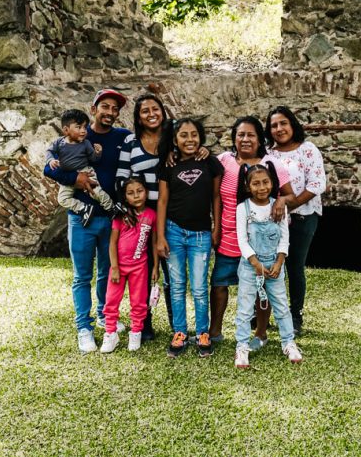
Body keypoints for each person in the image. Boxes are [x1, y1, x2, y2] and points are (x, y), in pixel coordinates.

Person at [115, 93, 209, 341]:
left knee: (171, 272)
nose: (151, 114)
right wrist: (132, 205)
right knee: (142, 271)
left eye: (155, 108)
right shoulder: (130, 143)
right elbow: (121, 178)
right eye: (144, 110)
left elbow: (193, 156)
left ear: (163, 111)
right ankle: (143, 324)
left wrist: (204, 150)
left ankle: (175, 325)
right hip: (141, 215)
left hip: (171, 213)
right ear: (138, 117)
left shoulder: (172, 142)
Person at [44, 88, 130, 354]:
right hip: (81, 219)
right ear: (94, 109)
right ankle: (84, 327)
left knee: (107, 272)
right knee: (82, 276)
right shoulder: (77, 133)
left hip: (109, 219)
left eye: (115, 109)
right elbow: (49, 168)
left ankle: (105, 316)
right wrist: (76, 180)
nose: (110, 112)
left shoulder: (122, 137)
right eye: (105, 106)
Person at [209, 116, 294, 346]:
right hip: (229, 236)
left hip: (261, 241)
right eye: (240, 135)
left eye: (251, 135)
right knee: (219, 284)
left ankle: (261, 334)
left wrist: (280, 202)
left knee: (261, 288)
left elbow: (290, 194)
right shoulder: (223, 160)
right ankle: (214, 331)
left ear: (260, 139)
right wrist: (215, 228)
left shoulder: (271, 164)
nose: (245, 139)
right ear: (234, 138)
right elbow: (213, 194)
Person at [155, 117, 223, 358]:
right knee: (176, 286)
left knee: (198, 286)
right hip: (173, 231)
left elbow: (216, 197)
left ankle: (202, 332)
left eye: (194, 134)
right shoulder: (168, 165)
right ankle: (180, 332)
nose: (189, 139)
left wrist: (216, 228)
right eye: (183, 135)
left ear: (201, 137)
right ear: (175, 140)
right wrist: (160, 236)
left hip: (201, 234)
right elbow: (162, 201)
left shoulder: (210, 162)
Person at [234, 165, 302, 369]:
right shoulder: (242, 208)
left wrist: (279, 262)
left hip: (274, 265)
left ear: (272, 183)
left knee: (281, 305)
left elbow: (284, 237)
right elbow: (242, 240)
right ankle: (242, 346)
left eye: (265, 182)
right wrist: (254, 263)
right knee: (245, 309)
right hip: (250, 266)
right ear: (247, 186)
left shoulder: (278, 206)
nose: (261, 187)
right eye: (256, 183)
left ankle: (288, 342)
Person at [266, 106, 326, 335]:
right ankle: (261, 314)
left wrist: (289, 204)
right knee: (269, 264)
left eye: (283, 123)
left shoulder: (307, 149)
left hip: (303, 216)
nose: (279, 129)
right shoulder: (268, 153)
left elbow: (316, 184)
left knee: (295, 266)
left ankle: (295, 315)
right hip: (273, 220)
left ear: (292, 125)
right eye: (274, 125)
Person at [101, 176, 155, 353]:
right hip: (119, 267)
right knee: (111, 301)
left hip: (140, 267)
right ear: (125, 197)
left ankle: (136, 332)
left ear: (146, 192)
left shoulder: (151, 215)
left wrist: (155, 267)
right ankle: (110, 333)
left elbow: (153, 243)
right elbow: (112, 243)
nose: (136, 196)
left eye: (140, 191)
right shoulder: (121, 216)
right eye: (131, 193)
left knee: (139, 302)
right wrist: (115, 267)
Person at [46, 109, 115, 227]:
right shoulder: (59, 143)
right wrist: (51, 160)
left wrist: (98, 153)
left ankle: (112, 208)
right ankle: (83, 208)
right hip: (68, 175)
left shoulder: (86, 144)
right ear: (66, 130)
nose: (83, 131)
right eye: (79, 127)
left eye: (85, 127)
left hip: (86, 171)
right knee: (62, 199)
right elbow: (49, 151)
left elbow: (93, 159)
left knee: (96, 192)